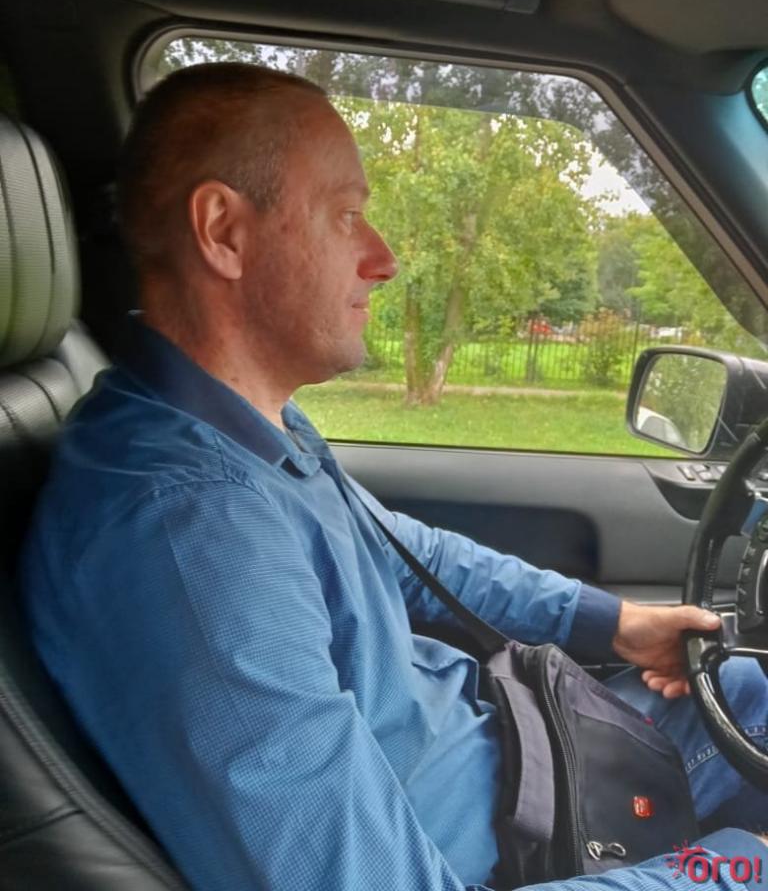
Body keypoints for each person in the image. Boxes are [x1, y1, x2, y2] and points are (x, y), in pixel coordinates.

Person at [21, 63, 768, 891]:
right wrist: (738, 870)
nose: (383, 259)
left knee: (743, 689)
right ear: (223, 232)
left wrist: (615, 623)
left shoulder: (246, 430)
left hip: (523, 752)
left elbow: (411, 556)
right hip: (515, 846)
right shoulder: (190, 536)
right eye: (346, 216)